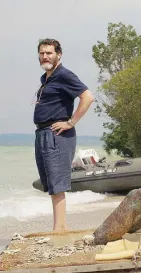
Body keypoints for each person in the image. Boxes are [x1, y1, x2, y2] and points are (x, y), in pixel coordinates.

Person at [34, 38, 95, 231]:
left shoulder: (64, 75)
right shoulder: (46, 78)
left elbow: (88, 97)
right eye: (42, 53)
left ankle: (60, 229)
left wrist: (71, 122)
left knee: (58, 183)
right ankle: (58, 227)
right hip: (43, 133)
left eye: (49, 53)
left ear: (58, 54)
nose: (45, 56)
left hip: (57, 134)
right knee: (51, 183)